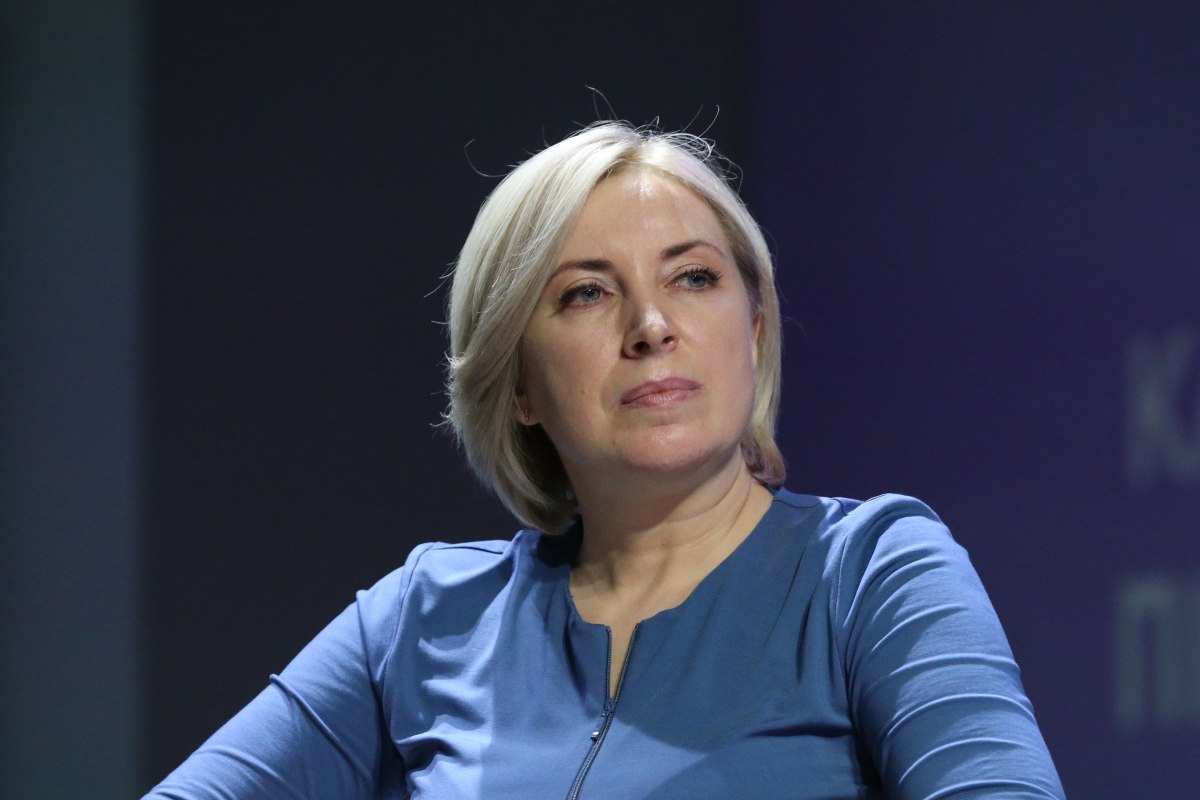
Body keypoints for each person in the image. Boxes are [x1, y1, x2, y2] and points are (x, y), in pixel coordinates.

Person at [144, 122, 1066, 799]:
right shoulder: (426, 619)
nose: (652, 326)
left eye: (693, 278)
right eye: (586, 294)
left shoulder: (870, 574)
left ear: (753, 330)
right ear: (518, 384)